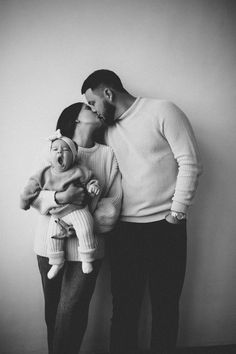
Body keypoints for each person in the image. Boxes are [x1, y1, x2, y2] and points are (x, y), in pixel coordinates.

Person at [81, 69, 203, 354]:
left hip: (166, 226)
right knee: (124, 307)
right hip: (124, 231)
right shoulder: (107, 129)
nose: (93, 110)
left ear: (108, 94)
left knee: (165, 305)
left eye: (93, 103)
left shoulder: (163, 110)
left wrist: (177, 213)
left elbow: (190, 162)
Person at [29, 102, 122, 354]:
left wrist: (84, 222)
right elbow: (33, 196)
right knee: (53, 312)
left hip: (87, 247)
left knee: (72, 311)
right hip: (49, 244)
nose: (96, 109)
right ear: (76, 120)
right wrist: (62, 198)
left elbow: (114, 202)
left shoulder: (107, 154)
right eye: (89, 107)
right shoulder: (54, 147)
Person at [20, 129, 100, 278]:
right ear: (50, 155)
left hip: (77, 209)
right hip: (57, 213)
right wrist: (24, 200)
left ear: (74, 156)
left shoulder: (79, 170)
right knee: (53, 237)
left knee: (85, 228)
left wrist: (93, 187)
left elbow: (91, 180)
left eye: (65, 150)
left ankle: (87, 258)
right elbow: (31, 186)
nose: (60, 153)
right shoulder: (45, 173)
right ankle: (56, 262)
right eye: (55, 150)